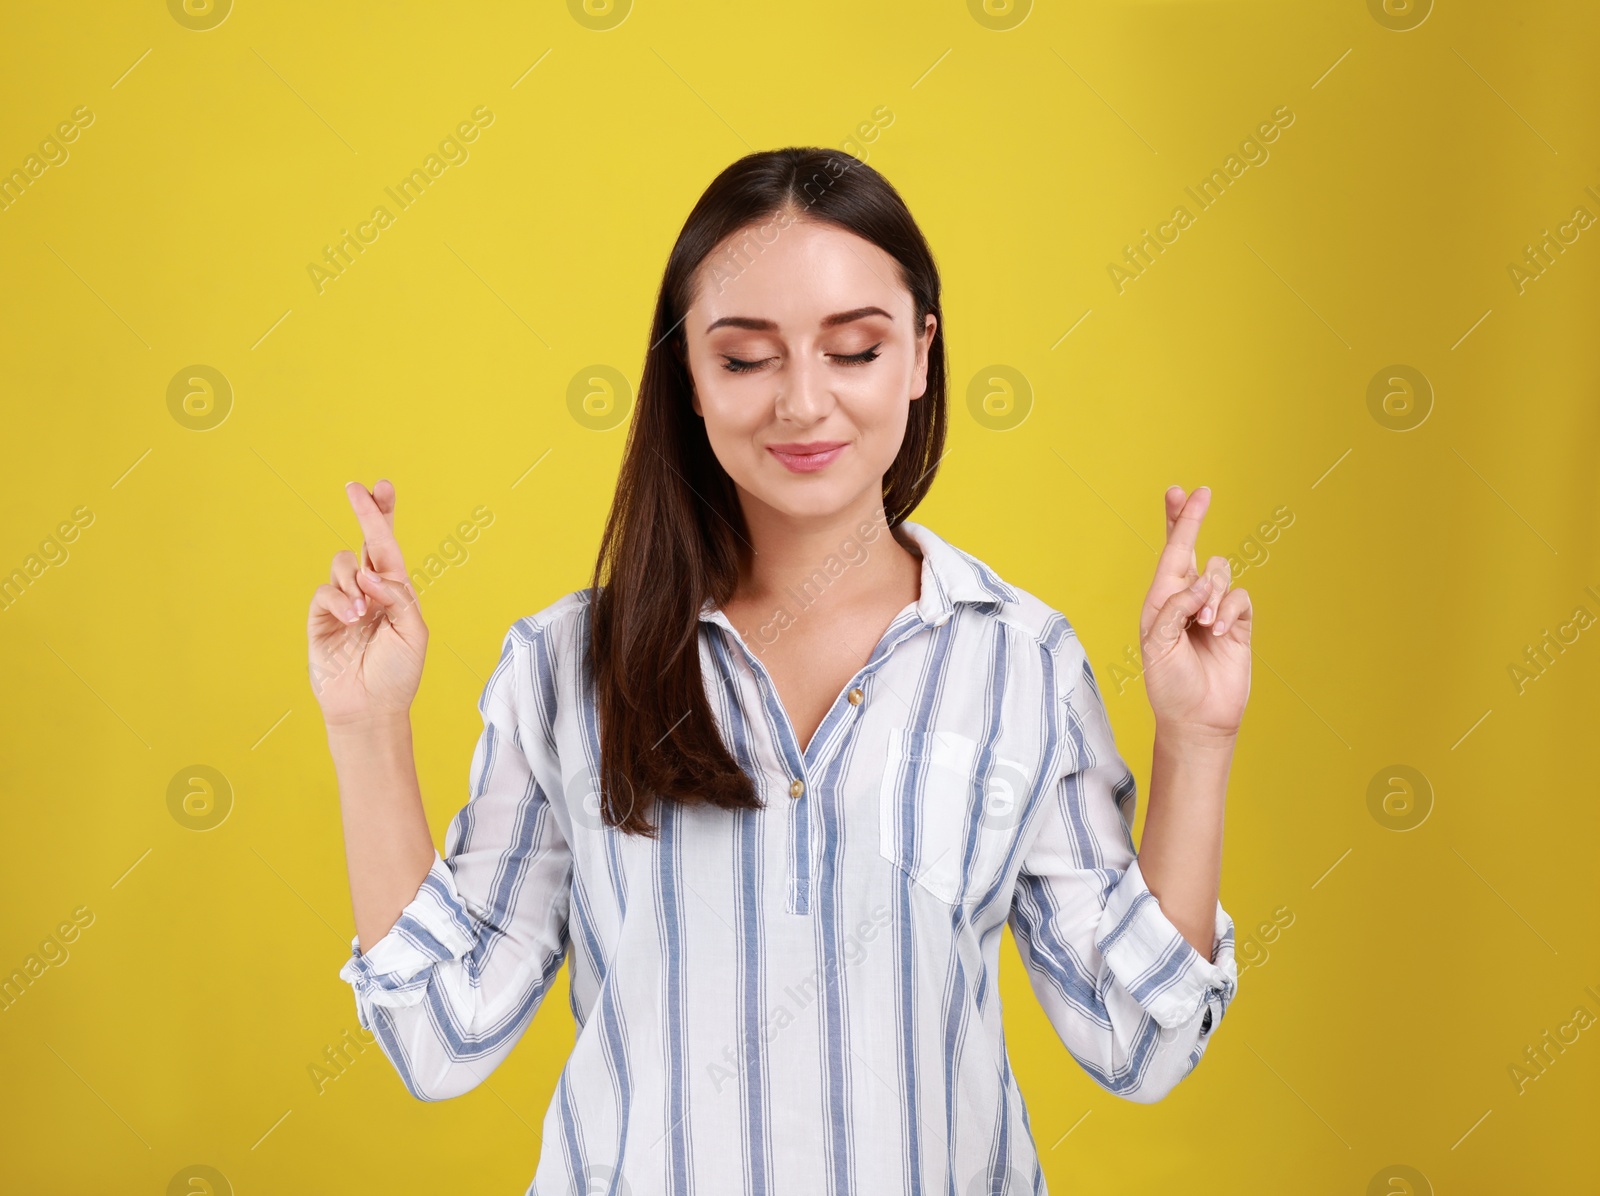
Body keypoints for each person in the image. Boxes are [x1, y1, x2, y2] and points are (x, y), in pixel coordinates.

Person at [306, 146, 1251, 1194]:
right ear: (689, 377)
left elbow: (1140, 1039)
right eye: (747, 358)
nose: (804, 403)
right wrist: (367, 723)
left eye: (853, 349)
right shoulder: (566, 666)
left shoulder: (1019, 662)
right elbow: (439, 1034)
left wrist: (1195, 740)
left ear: (921, 356)